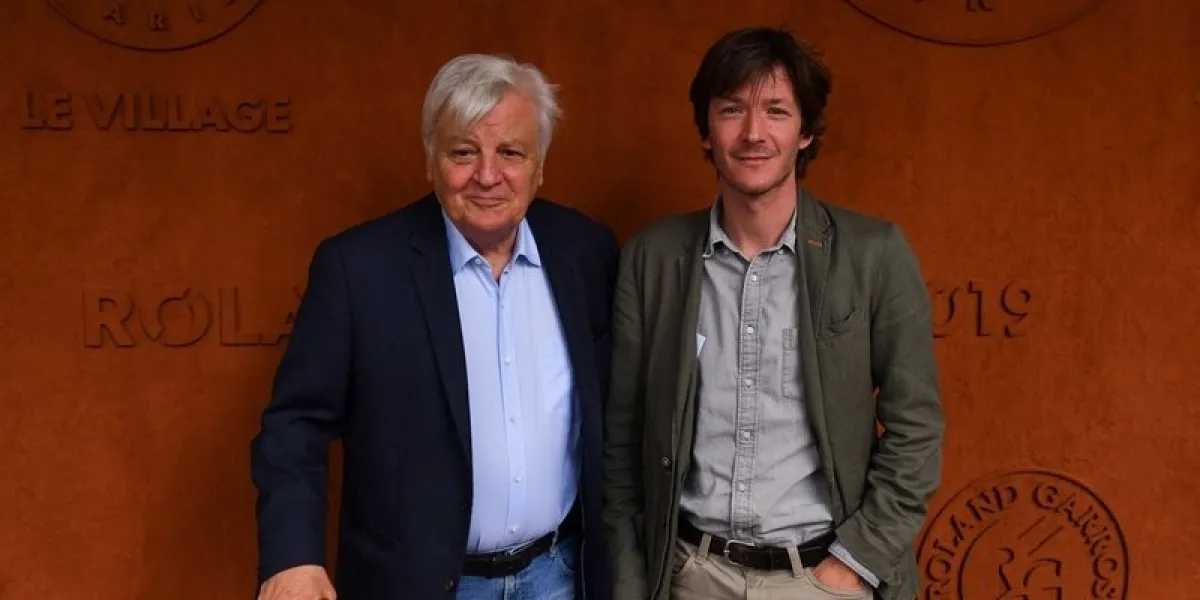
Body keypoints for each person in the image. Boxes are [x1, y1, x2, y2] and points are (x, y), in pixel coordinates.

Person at [250, 53, 617, 600]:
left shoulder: (586, 253)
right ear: (431, 160)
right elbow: (295, 424)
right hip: (420, 585)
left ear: (539, 166)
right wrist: (293, 557)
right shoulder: (359, 270)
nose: (488, 175)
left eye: (510, 152)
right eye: (463, 152)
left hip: (559, 577)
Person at [602, 26, 944, 600]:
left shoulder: (873, 254)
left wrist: (853, 565)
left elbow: (918, 429)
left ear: (805, 132)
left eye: (777, 111)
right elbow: (622, 445)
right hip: (690, 575)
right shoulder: (652, 259)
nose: (754, 133)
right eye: (732, 109)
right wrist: (634, 585)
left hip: (821, 579)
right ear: (707, 131)